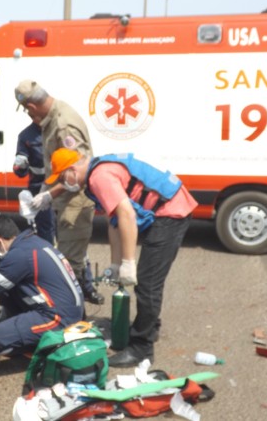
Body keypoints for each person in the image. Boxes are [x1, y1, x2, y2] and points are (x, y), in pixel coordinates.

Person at [45, 148, 197, 367]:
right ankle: (149, 326)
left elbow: (127, 215)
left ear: (72, 169)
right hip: (169, 207)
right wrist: (116, 263)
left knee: (147, 282)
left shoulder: (99, 177)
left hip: (171, 213)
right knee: (148, 281)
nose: (63, 183)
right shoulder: (97, 173)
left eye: (62, 177)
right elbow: (114, 221)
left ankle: (141, 348)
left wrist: (128, 262)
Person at [15, 79, 104, 305]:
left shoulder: (63, 125)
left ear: (32, 107)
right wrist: (43, 193)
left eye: (26, 110)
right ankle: (73, 315)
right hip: (65, 200)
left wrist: (47, 196)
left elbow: (77, 174)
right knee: (67, 262)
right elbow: (58, 168)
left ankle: (72, 323)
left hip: (75, 203)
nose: (28, 114)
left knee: (68, 268)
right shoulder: (53, 118)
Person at [0, 215, 83, 356]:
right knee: (12, 291)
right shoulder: (35, 242)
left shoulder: (19, 254)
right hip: (70, 312)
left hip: (57, 318)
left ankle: (38, 349)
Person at [13, 122, 56, 244]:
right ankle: (48, 257)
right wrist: (20, 165)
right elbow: (20, 172)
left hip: (60, 186)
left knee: (65, 227)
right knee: (45, 230)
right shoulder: (26, 135)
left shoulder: (57, 129)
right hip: (39, 189)